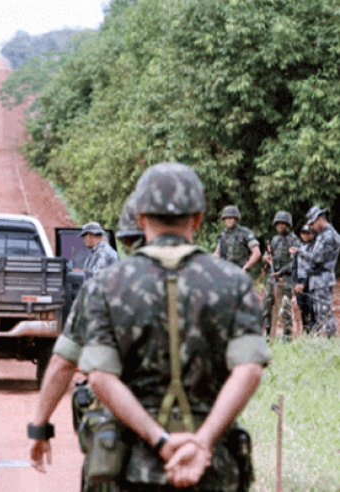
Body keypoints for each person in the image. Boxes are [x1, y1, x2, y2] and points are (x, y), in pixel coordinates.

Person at [78, 163, 270, 491]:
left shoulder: (107, 285)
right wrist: (203, 442)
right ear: (197, 219)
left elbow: (100, 377)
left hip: (132, 467)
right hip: (212, 468)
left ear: (140, 220)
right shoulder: (234, 283)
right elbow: (249, 370)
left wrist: (161, 440)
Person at [29, 192, 141, 492]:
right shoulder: (99, 256)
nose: (85, 241)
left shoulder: (105, 255)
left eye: (87, 237)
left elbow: (62, 361)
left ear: (97, 236)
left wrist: (40, 425)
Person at [290, 206, 340, 337]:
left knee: (324, 313)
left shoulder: (329, 235)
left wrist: (300, 252)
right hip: (317, 280)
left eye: (312, 223)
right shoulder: (322, 234)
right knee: (318, 314)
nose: (312, 226)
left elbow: (317, 258)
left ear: (319, 219)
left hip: (323, 279)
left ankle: (330, 342)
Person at [261, 211, 300, 338]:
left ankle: (287, 336)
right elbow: (269, 254)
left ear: (288, 225)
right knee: (266, 305)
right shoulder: (275, 239)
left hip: (286, 279)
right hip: (272, 278)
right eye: (278, 223)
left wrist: (281, 272)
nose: (280, 226)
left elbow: (296, 262)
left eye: (283, 223)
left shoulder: (294, 240)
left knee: (285, 308)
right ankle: (268, 333)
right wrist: (265, 258)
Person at [213, 206, 261, 273]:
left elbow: (256, 253)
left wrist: (246, 268)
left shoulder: (245, 233)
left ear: (236, 218)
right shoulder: (223, 235)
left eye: (230, 218)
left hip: (240, 272)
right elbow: (217, 253)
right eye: (226, 218)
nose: (228, 220)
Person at [292, 224, 317, 333]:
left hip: (311, 282)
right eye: (303, 233)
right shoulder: (298, 246)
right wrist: (295, 283)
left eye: (308, 233)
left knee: (311, 309)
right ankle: (306, 333)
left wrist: (304, 284)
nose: (305, 235)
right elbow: (294, 266)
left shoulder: (316, 247)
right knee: (302, 310)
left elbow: (314, 267)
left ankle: (313, 335)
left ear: (313, 234)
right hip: (299, 282)